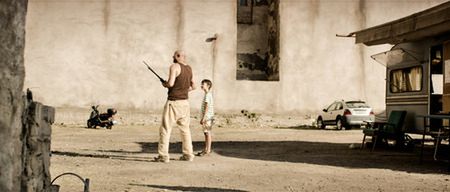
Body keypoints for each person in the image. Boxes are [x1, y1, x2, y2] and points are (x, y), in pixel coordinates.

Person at [154, 50, 195, 163]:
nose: (172, 57)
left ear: (178, 56)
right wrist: (183, 91)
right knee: (185, 130)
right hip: (185, 103)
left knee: (166, 129)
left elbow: (170, 84)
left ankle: (163, 156)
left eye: (174, 55)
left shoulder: (174, 66)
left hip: (173, 102)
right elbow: (193, 86)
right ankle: (188, 154)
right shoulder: (189, 68)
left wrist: (164, 84)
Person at [197, 79, 214, 156]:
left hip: (207, 118)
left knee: (207, 133)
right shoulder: (207, 94)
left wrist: (203, 118)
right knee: (206, 133)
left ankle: (208, 149)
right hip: (207, 117)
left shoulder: (208, 95)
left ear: (208, 86)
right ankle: (206, 148)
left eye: (203, 84)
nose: (201, 85)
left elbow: (207, 107)